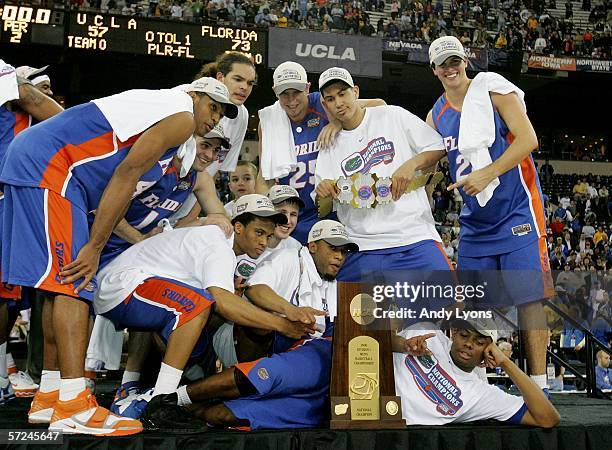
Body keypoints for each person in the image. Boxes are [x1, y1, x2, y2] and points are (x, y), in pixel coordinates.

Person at [3, 77, 237, 436]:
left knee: (58, 285)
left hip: (44, 164)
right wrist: (95, 247)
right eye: (212, 106)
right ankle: (73, 403)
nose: (214, 118)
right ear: (194, 96)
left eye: (221, 113)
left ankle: (50, 392)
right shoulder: (181, 115)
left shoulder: (158, 108)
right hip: (54, 169)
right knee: (75, 283)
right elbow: (126, 175)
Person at [93, 194, 310, 418]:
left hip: (130, 284)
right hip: (121, 284)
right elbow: (223, 303)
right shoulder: (218, 246)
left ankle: (129, 387)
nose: (264, 242)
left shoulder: (218, 245)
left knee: (192, 309)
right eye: (258, 232)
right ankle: (162, 398)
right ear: (238, 227)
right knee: (195, 306)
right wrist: (282, 324)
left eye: (267, 234)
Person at [140, 220, 358, 430]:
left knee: (221, 415)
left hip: (306, 364)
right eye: (333, 249)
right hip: (247, 344)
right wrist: (291, 311)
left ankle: (191, 407)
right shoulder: (290, 257)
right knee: (266, 341)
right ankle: (168, 400)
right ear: (312, 246)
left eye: (343, 252)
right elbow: (255, 289)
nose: (339, 256)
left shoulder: (335, 282)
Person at [425, 36, 552, 390]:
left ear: (466, 61)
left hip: (516, 209)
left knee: (530, 297)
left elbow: (529, 140)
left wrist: (488, 172)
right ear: (433, 70)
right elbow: (427, 164)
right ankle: (476, 381)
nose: (450, 69)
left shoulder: (494, 91)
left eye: (455, 61)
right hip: (476, 220)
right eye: (442, 64)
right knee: (474, 305)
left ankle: (538, 384)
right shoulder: (435, 114)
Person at [314, 67, 453, 283]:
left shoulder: (391, 115)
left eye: (343, 93)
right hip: (361, 245)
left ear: (356, 92)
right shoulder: (328, 144)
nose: (339, 103)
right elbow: (323, 203)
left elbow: (437, 146)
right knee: (348, 314)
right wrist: (324, 191)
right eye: (331, 99)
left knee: (451, 304)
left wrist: (411, 164)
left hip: (413, 236)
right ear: (325, 104)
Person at [256, 61, 385, 244]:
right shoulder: (269, 121)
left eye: (297, 92)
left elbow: (380, 105)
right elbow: (264, 177)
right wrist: (263, 217)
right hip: (290, 215)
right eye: (284, 94)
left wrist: (338, 120)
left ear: (307, 88)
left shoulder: (325, 103)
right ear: (275, 92)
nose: (292, 101)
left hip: (328, 211)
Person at [0, 60, 63, 407]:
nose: (45, 93)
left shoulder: (38, 127)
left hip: (28, 209)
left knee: (14, 299)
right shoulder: (14, 115)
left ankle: (14, 371)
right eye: (39, 87)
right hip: (8, 201)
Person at [393, 318, 560, 427]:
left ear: (488, 352)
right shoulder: (427, 334)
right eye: (464, 335)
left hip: (399, 430)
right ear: (455, 333)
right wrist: (404, 345)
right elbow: (377, 342)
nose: (468, 344)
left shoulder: (482, 395)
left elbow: (547, 418)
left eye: (479, 342)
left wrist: (506, 363)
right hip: (372, 404)